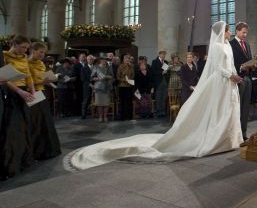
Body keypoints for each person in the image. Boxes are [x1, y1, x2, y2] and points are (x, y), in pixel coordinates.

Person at [70, 21, 243, 170]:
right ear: (223, 31)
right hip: (222, 80)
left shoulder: (227, 45)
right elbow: (218, 67)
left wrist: (236, 75)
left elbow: (231, 64)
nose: (230, 33)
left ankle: (230, 138)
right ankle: (217, 138)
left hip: (230, 82)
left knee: (229, 108)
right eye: (228, 30)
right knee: (219, 109)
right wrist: (229, 75)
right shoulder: (217, 47)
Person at [0, 36, 35, 179]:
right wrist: (19, 91)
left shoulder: (24, 58)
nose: (25, 50)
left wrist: (32, 90)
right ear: (14, 44)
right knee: (12, 128)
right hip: (12, 93)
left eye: (27, 48)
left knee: (23, 126)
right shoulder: (4, 56)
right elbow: (4, 78)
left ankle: (23, 159)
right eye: (23, 47)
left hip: (24, 93)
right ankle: (10, 163)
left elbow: (28, 75)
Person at [28, 42, 61, 160]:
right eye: (40, 52)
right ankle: (34, 151)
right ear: (33, 50)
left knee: (45, 122)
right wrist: (42, 81)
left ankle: (46, 150)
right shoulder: (26, 63)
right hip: (32, 93)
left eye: (44, 52)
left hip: (41, 93)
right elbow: (28, 81)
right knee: (35, 122)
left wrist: (51, 80)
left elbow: (43, 78)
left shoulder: (41, 64)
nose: (42, 54)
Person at [229, 22, 254, 141]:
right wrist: (240, 68)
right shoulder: (231, 44)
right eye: (243, 32)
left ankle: (243, 133)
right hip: (238, 79)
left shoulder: (247, 45)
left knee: (245, 108)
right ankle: (236, 134)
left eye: (246, 33)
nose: (245, 34)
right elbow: (230, 63)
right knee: (237, 108)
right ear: (237, 31)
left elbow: (248, 59)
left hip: (248, 78)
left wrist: (253, 64)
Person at [91, 57, 114, 122]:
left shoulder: (109, 67)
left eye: (105, 60)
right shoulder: (96, 67)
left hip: (107, 87)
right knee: (99, 103)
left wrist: (107, 77)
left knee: (106, 103)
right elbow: (92, 78)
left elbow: (112, 77)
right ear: (100, 60)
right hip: (98, 88)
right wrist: (98, 78)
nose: (104, 61)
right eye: (102, 60)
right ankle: (100, 117)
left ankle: (105, 116)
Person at [116, 54, 135, 121]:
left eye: (128, 58)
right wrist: (124, 80)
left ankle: (129, 116)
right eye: (126, 58)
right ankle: (122, 117)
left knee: (129, 101)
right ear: (123, 59)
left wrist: (130, 80)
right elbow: (118, 77)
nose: (127, 59)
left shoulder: (131, 66)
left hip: (129, 86)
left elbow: (133, 75)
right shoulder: (120, 66)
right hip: (122, 86)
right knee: (122, 102)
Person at [151, 50, 168, 117]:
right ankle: (158, 111)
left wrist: (166, 72)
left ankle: (163, 111)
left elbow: (166, 71)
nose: (163, 56)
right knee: (158, 97)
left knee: (164, 97)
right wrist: (161, 73)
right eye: (163, 54)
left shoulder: (166, 62)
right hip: (158, 82)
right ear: (159, 54)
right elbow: (153, 72)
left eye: (164, 54)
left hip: (165, 81)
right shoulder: (154, 61)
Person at [80, 55, 95, 119]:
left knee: (95, 100)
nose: (90, 60)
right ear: (87, 60)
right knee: (86, 100)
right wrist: (90, 84)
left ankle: (95, 114)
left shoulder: (96, 67)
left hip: (96, 85)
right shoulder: (83, 68)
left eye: (92, 59)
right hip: (87, 86)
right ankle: (83, 114)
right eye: (89, 59)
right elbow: (83, 78)